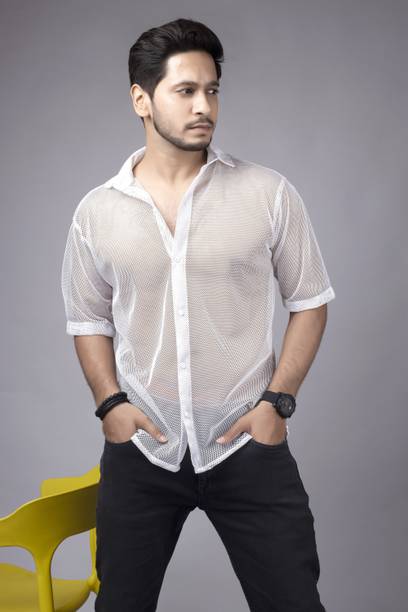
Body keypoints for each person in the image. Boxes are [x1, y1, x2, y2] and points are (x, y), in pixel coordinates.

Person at [61, 17, 335, 612]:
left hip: (248, 446)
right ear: (141, 99)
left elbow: (310, 300)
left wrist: (278, 404)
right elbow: (88, 320)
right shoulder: (97, 212)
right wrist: (110, 406)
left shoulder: (267, 193)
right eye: (185, 90)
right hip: (144, 449)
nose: (204, 105)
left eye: (211, 90)